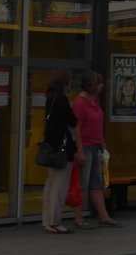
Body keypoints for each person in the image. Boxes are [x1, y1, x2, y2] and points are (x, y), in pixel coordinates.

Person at [72, 70, 123, 228]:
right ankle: (78, 218)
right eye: (99, 83)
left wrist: (102, 141)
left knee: (97, 183)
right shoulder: (80, 103)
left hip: (95, 146)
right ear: (91, 85)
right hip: (85, 146)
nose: (102, 86)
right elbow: (76, 128)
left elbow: (98, 122)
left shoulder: (95, 100)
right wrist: (80, 151)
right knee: (82, 183)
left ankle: (104, 217)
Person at [40, 69, 78, 234]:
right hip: (62, 148)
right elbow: (73, 121)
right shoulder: (62, 98)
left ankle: (47, 221)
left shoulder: (50, 97)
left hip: (51, 146)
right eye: (69, 80)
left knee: (50, 185)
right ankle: (55, 222)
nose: (71, 83)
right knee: (59, 187)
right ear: (65, 82)